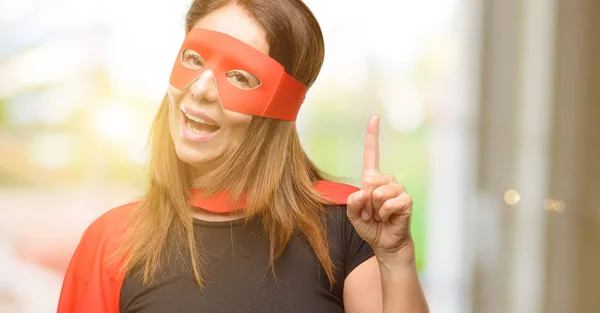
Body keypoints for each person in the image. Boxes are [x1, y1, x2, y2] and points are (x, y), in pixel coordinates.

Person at [57, 0, 429, 312]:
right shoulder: (112, 241)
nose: (201, 88)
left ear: (280, 106)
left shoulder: (349, 221)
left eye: (239, 76)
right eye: (193, 58)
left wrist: (396, 259)